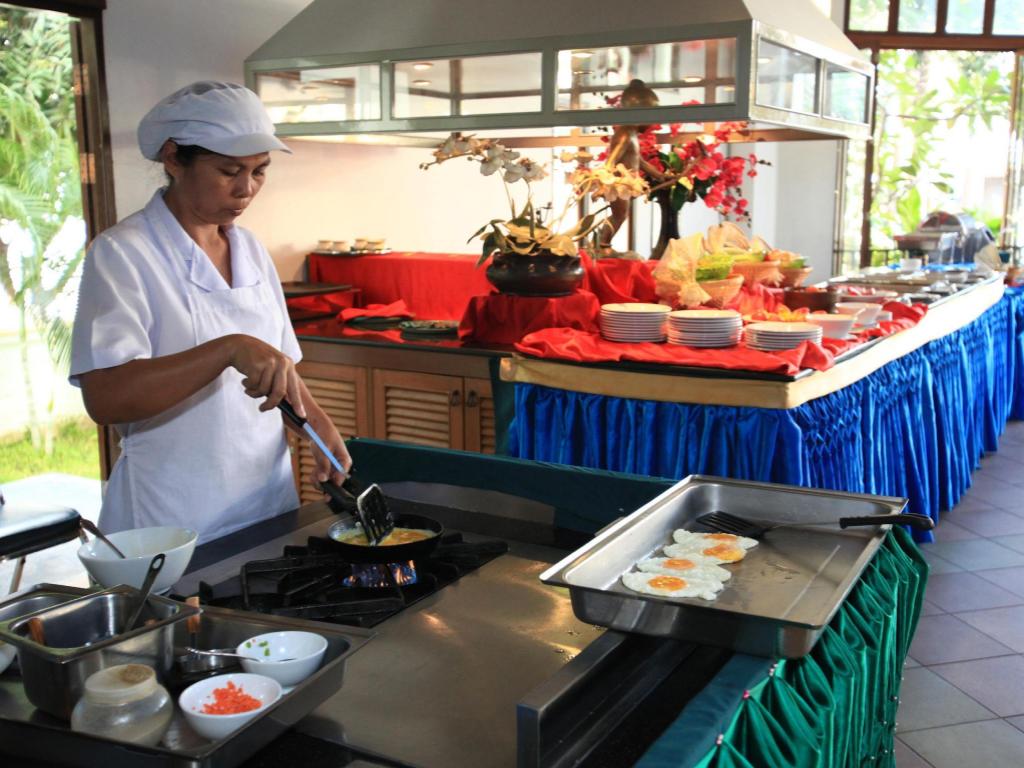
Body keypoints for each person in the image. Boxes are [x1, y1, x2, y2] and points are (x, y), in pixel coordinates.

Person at [70, 81, 350, 542]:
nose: (246, 189)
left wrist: (318, 427)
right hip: (171, 517)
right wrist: (227, 349)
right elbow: (105, 398)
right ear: (173, 158)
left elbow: (278, 369)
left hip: (265, 502)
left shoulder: (250, 249)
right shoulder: (123, 253)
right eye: (229, 171)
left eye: (260, 171)